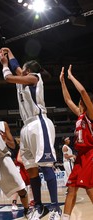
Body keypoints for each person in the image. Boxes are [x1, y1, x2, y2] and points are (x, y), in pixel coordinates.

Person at [0, 48, 62, 220]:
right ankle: (40, 207)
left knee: (46, 165)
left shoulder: (34, 78)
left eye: (23, 69)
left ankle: (56, 208)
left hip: (39, 123)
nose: (20, 70)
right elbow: (16, 66)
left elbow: (8, 76)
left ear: (28, 70)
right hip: (26, 127)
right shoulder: (23, 78)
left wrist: (4, 65)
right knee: (31, 168)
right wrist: (9, 52)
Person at [60, 64, 93, 220]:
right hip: (80, 156)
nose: (79, 101)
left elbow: (82, 91)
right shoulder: (80, 114)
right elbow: (67, 99)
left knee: (89, 188)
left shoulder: (91, 114)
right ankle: (65, 218)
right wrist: (62, 82)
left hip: (90, 153)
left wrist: (71, 77)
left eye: (81, 100)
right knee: (71, 188)